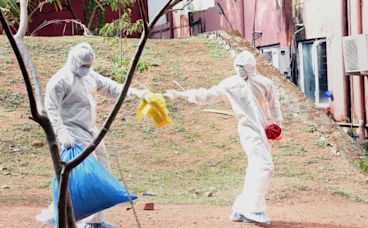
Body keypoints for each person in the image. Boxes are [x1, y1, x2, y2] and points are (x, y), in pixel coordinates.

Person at [36, 42, 149, 228]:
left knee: (101, 171)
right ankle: (68, 217)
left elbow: (112, 88)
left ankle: (95, 221)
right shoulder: (60, 81)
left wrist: (136, 93)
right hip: (72, 134)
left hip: (91, 131)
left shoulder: (90, 77)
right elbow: (51, 110)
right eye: (83, 66)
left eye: (89, 66)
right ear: (74, 62)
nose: (86, 69)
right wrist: (61, 133)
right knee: (84, 178)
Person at [165, 51, 283, 224]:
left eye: (243, 67)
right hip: (248, 131)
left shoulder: (265, 83)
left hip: (263, 132)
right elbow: (207, 95)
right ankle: (254, 210)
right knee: (265, 166)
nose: (240, 70)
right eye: (237, 67)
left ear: (250, 67)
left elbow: (274, 105)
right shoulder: (230, 83)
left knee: (255, 168)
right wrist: (182, 94)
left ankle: (240, 208)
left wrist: (278, 125)